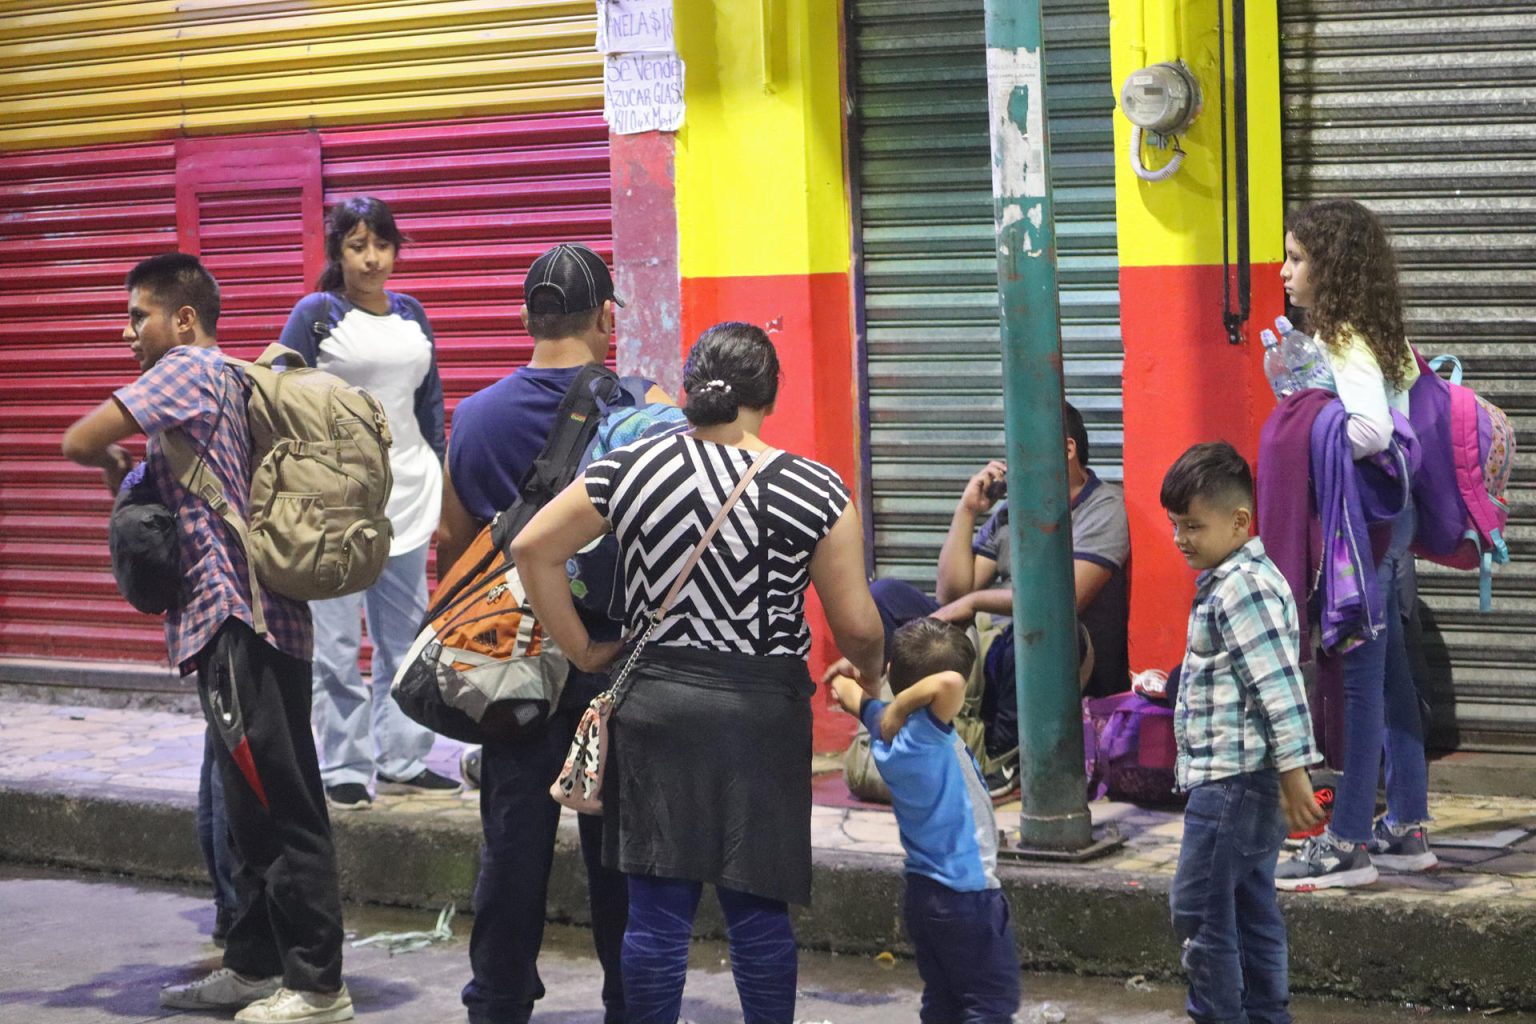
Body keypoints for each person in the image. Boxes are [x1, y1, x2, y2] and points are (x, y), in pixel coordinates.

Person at [512, 321, 885, 1024]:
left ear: (688, 390)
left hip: (659, 703)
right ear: (769, 395)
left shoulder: (632, 467)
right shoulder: (814, 488)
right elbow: (859, 626)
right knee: (757, 907)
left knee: (655, 913)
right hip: (763, 715)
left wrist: (585, 651)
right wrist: (871, 672)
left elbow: (533, 548)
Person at [61, 253, 350, 1022]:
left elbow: (79, 438)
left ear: (183, 319)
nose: (128, 335)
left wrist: (114, 464)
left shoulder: (187, 369)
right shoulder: (216, 382)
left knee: (282, 805)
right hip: (251, 623)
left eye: (137, 316)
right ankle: (255, 967)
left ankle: (319, 986)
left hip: (239, 623)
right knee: (249, 809)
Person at [443, 243, 660, 1024]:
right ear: (606, 317)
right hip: (611, 661)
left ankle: (497, 1003)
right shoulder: (641, 411)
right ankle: (628, 1004)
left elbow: (453, 541)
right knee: (618, 856)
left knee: (512, 846)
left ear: (528, 318)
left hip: (509, 663)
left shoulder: (473, 418)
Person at [1274, 198, 1436, 890]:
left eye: (1298, 258)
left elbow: (1368, 431)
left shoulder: (1344, 339)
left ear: (1331, 267)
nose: (1285, 272)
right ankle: (1406, 826)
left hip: (1362, 533)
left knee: (1363, 682)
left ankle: (1347, 845)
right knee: (1395, 675)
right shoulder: (1379, 334)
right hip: (1388, 525)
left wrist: (1308, 416)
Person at [276, 196, 456, 811]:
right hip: (334, 504)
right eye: (358, 246)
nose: (372, 258)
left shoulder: (412, 314)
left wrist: (440, 469)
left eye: (381, 244)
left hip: (408, 491)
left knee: (406, 637)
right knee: (336, 645)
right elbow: (277, 390)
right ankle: (346, 764)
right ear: (338, 253)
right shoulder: (317, 314)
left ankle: (403, 756)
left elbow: (428, 403)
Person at [869, 401, 1130, 790]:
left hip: (1059, 657)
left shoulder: (1103, 507)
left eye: (1023, 449)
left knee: (1044, 629)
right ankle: (931, 728)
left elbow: (1065, 599)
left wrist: (974, 604)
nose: (1013, 462)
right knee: (887, 596)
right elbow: (952, 591)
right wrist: (967, 510)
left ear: (1067, 449)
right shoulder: (1011, 510)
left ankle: (1003, 758)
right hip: (992, 650)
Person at [1160, 441, 1325, 1024]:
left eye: (1193, 526)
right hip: (1246, 781)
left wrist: (1295, 772)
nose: (1181, 538)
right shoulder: (1238, 577)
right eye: (1176, 525)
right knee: (1251, 906)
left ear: (1238, 522)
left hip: (1231, 783)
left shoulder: (1241, 587)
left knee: (1199, 909)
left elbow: (1277, 687)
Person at [828, 619, 1021, 1023]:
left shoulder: (884, 728)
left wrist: (863, 682)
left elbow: (847, 693)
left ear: (892, 675)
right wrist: (898, 704)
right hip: (967, 895)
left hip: (924, 894)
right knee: (989, 1003)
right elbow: (949, 680)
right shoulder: (923, 732)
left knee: (945, 998)